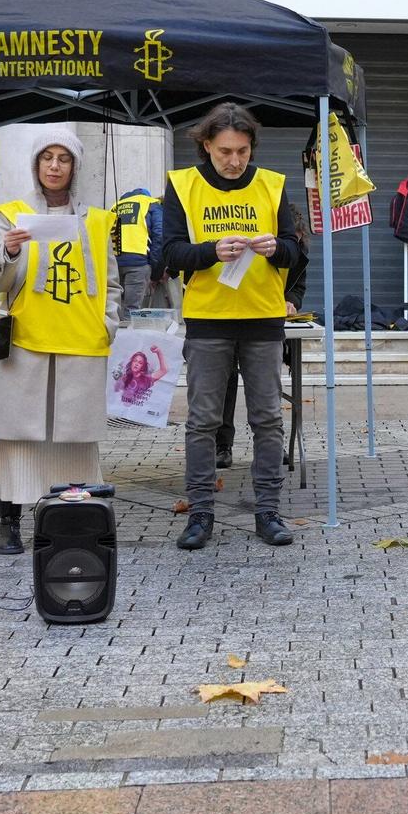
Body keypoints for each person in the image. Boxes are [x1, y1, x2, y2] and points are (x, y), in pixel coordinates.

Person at [161, 103, 308, 549]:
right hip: (208, 319)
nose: (234, 160)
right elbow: (169, 253)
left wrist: (277, 248)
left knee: (267, 420)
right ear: (207, 145)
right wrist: (210, 251)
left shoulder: (272, 184)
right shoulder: (182, 185)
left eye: (242, 151)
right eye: (225, 151)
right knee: (203, 422)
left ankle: (269, 512)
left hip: (263, 317)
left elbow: (297, 252)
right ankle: (200, 514)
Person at [0, 129, 122, 555]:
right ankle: (9, 524)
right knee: (16, 438)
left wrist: (108, 323)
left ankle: (74, 523)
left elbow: (111, 283)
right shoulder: (11, 216)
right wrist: (9, 252)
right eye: (47, 157)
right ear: (36, 164)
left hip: (81, 342)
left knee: (75, 441)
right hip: (25, 342)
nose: (55, 166)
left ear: (75, 167)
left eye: (64, 158)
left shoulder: (98, 220)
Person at [215, 225, 310, 470]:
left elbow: (298, 286)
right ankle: (222, 445)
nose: (291, 247)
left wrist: (291, 301)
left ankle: (271, 446)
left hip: (270, 323)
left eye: (297, 242)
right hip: (234, 317)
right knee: (225, 384)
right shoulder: (255, 245)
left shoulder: (297, 252)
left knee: (268, 389)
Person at [113, 185, 165, 312]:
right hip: (138, 264)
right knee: (131, 311)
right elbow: (160, 236)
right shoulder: (151, 204)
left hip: (113, 264)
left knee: (114, 309)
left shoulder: (115, 206)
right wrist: (156, 273)